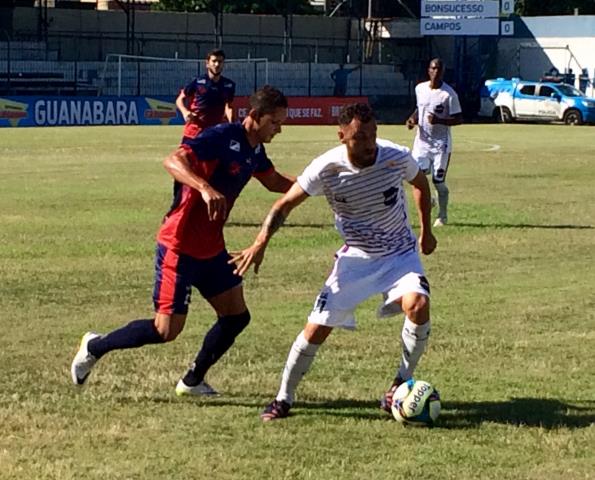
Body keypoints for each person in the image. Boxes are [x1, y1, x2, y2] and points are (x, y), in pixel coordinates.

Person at [71, 86, 295, 396]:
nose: (279, 129)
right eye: (275, 122)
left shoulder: (255, 150)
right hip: (179, 244)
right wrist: (204, 187)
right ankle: (95, 345)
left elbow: (274, 182)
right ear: (255, 116)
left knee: (236, 317)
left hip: (212, 248)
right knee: (166, 331)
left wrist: (316, 184)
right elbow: (173, 160)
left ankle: (192, 380)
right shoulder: (221, 136)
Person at [230, 103, 437, 421]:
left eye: (371, 135)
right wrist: (260, 242)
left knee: (419, 305)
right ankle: (283, 399)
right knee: (316, 329)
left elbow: (421, 185)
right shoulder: (326, 167)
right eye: (358, 138)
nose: (368, 144)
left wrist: (425, 232)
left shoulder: (395, 156)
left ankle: (398, 384)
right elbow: (285, 204)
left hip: (399, 254)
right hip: (355, 258)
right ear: (342, 136)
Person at [406, 58, 462, 227]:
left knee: (438, 181)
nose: (435, 72)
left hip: (441, 145)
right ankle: (428, 199)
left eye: (439, 69)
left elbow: (459, 118)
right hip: (422, 144)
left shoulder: (449, 94)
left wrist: (439, 120)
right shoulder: (420, 89)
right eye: (433, 68)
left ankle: (442, 216)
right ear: (428, 70)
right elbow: (419, 108)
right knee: (417, 177)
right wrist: (412, 119)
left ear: (443, 71)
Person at [176, 48, 235, 141]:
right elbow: (179, 99)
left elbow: (229, 107)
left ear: (223, 64)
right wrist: (185, 112)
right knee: (184, 155)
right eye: (214, 61)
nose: (217, 64)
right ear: (207, 63)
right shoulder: (197, 82)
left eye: (220, 61)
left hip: (215, 132)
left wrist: (232, 124)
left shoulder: (229, 85)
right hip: (194, 132)